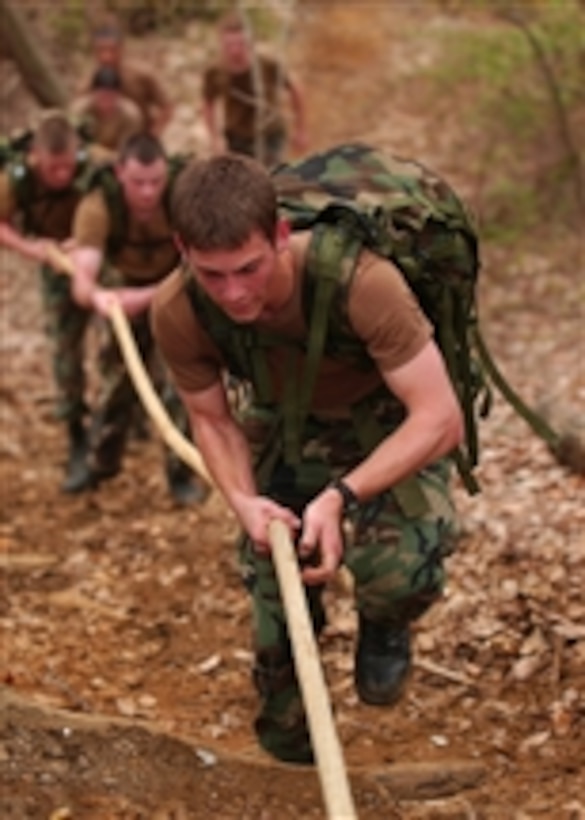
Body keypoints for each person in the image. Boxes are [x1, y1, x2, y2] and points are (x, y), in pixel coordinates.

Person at [150, 153, 464, 764]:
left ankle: (384, 618)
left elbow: (439, 416)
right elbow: (212, 418)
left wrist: (338, 498)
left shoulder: (361, 282)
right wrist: (244, 501)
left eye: (248, 268)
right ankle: (290, 751)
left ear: (279, 235)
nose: (234, 293)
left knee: (403, 572)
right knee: (273, 601)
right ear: (183, 248)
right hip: (283, 425)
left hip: (386, 424)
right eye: (213, 275)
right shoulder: (179, 309)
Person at [69, 132, 205, 505]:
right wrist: (103, 299)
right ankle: (101, 463)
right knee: (116, 386)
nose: (148, 193)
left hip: (175, 291)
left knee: (179, 385)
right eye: (138, 183)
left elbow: (204, 263)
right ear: (119, 174)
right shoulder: (98, 206)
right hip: (121, 295)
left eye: (156, 182)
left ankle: (182, 476)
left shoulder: (183, 198)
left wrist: (148, 297)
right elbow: (83, 283)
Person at [0, 112, 105, 493]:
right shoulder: (18, 179)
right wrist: (34, 249)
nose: (61, 175)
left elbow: (121, 200)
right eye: (51, 167)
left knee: (118, 341)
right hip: (54, 263)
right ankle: (76, 432)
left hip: (99, 260)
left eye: (66, 166)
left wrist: (87, 243)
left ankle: (119, 419)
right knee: (65, 351)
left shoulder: (95, 163)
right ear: (36, 157)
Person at [202, 9, 308, 168]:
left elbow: (295, 90)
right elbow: (208, 104)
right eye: (229, 45)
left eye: (240, 44)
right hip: (236, 136)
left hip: (270, 132)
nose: (235, 51)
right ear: (221, 45)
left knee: (271, 178)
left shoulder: (267, 65)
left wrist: (301, 129)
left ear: (250, 43)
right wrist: (215, 139)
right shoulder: (215, 72)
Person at [82, 19, 173, 138]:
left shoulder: (141, 74)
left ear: (122, 49)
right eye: (101, 50)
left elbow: (166, 107)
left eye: (112, 50)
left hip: (139, 138)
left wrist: (152, 136)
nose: (107, 56)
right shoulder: (89, 81)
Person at [70, 65, 143, 153]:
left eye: (111, 97)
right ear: (93, 94)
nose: (106, 102)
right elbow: (73, 144)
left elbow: (129, 150)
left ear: (119, 95)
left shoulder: (131, 115)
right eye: (102, 97)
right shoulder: (80, 111)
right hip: (86, 155)